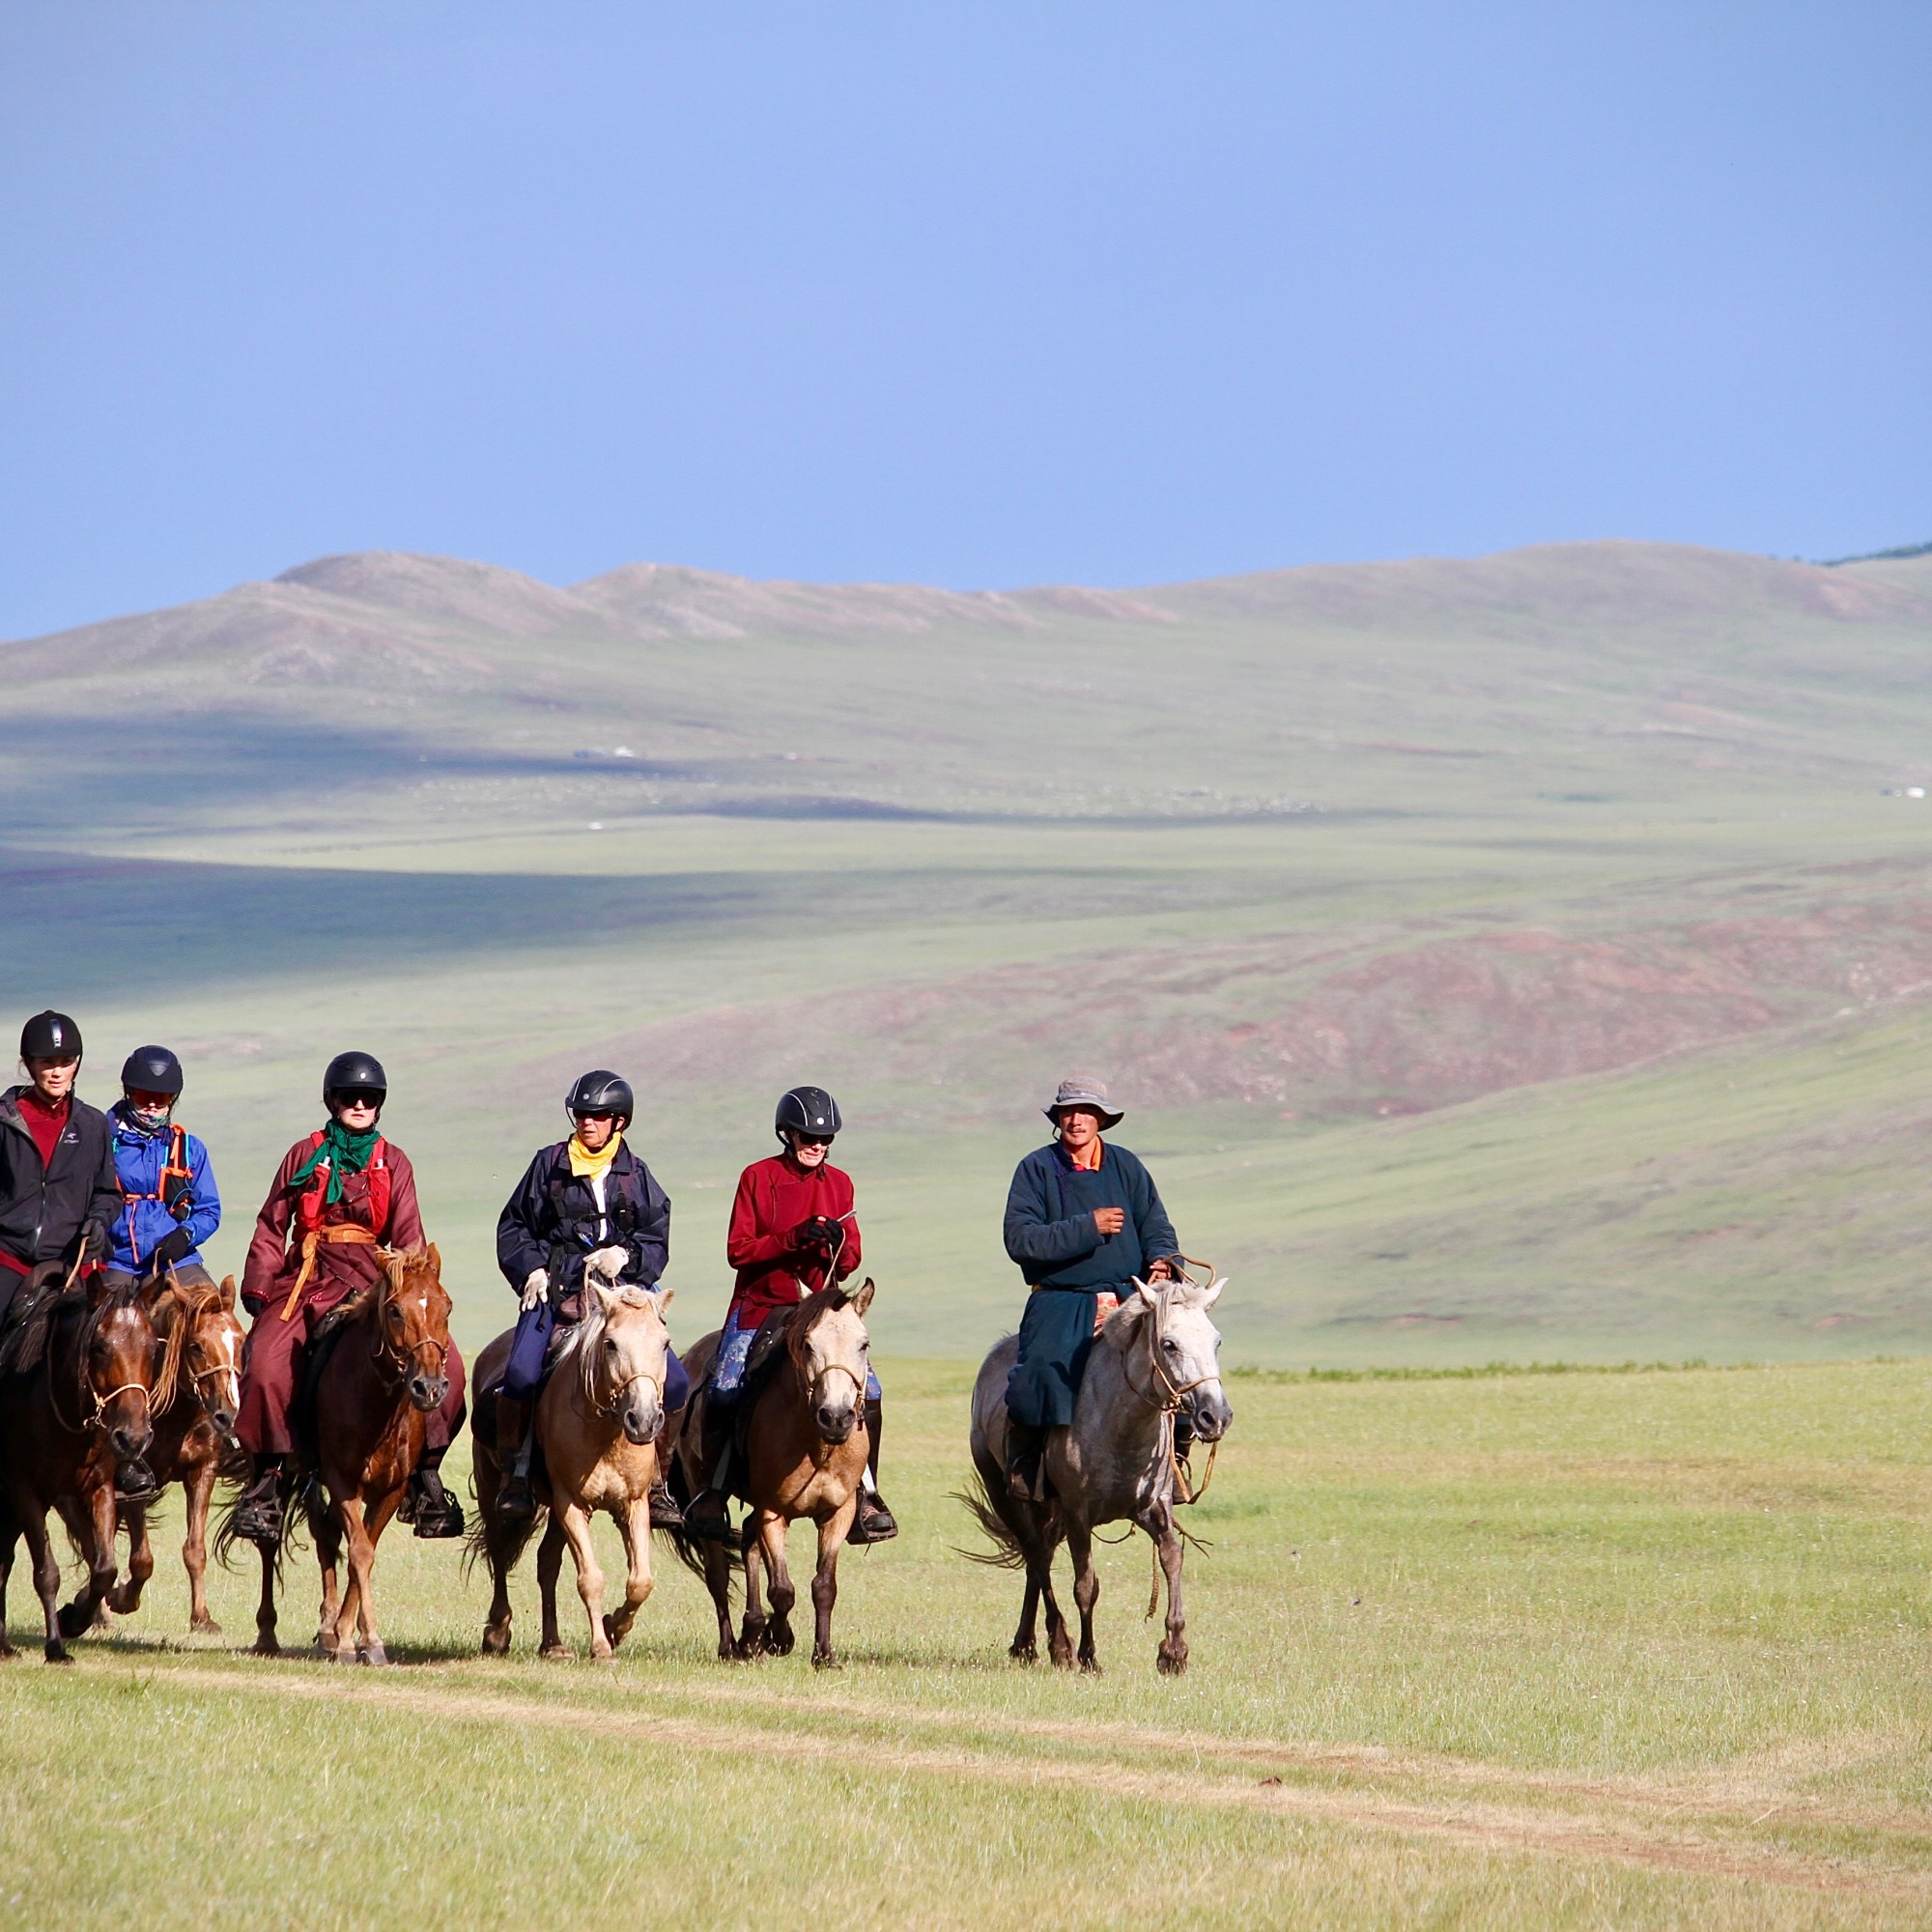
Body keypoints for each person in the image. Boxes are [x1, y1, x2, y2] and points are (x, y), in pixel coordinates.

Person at [232, 1051, 467, 1544]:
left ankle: (425, 1474)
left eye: (369, 1098)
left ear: (379, 1104)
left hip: (375, 1278)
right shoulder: (304, 1153)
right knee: (266, 1363)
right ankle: (268, 1480)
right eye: (349, 1097)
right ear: (332, 1101)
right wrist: (259, 1284)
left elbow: (409, 1237)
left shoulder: (394, 1161)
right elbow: (272, 1223)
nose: (360, 1105)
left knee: (451, 1367)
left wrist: (411, 1282)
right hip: (309, 1275)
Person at [686, 1085, 897, 1545]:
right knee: (723, 1388)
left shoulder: (840, 1184)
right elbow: (738, 1250)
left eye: (824, 1138)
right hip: (761, 1305)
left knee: (873, 1391)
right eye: (806, 1136)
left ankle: (867, 1495)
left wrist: (838, 1245)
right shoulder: (757, 1177)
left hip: (820, 1310)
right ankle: (713, 1492)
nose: (816, 1145)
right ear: (787, 1134)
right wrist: (793, 1238)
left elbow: (850, 1260)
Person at [492, 1068, 685, 1524]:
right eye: (581, 1114)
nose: (586, 1122)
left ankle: (658, 1482)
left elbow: (656, 1236)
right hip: (557, 1288)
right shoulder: (549, 1165)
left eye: (598, 1115)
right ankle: (517, 1474)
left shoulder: (636, 1174)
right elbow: (515, 1225)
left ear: (620, 1121)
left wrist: (626, 1256)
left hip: (624, 1296)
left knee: (676, 1383)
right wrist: (531, 1269)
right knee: (519, 1374)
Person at [1002, 1075, 1181, 1500]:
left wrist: (1163, 1260)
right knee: (1041, 1369)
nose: (1077, 1120)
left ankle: (1175, 1458)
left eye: (1087, 1112)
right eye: (1069, 1112)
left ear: (1102, 1119)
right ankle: (1026, 1462)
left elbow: (1156, 1224)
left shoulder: (1126, 1165)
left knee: (1178, 1359)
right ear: (1058, 1118)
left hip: (1129, 1297)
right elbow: (1020, 1240)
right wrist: (1089, 1227)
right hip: (1062, 1299)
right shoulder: (1036, 1168)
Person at [0, 1010, 119, 1329]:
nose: (57, 1072)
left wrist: (98, 1220)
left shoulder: (93, 1124)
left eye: (66, 1062)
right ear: (28, 1064)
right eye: (47, 1063)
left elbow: (107, 1193)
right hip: (10, 1258)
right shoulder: (4, 1122)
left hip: (73, 1261)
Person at [99, 1045, 221, 1293]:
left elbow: (209, 1210)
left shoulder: (190, 1149)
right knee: (102, 1315)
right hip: (118, 1261)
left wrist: (186, 1235)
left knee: (212, 1311)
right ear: (130, 1093)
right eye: (145, 1096)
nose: (153, 1105)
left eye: (162, 1097)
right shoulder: (101, 1141)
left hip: (175, 1260)